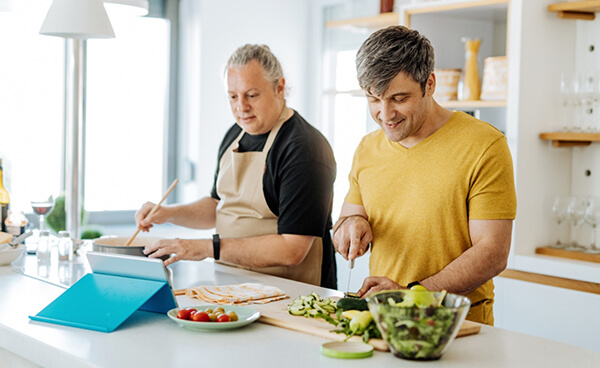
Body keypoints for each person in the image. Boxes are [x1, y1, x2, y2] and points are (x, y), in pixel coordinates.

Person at [332, 26, 516, 325]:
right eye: (373, 99)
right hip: (384, 321)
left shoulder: (485, 145)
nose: (385, 113)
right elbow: (345, 223)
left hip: (458, 325)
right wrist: (351, 225)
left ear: (429, 83)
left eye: (399, 98)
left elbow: (493, 251)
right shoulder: (367, 147)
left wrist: (411, 294)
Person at [136, 44, 337, 289]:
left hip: (289, 294)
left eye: (251, 95)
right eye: (233, 96)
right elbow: (218, 206)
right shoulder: (235, 134)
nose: (241, 107)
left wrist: (205, 248)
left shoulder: (304, 148)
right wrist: (168, 213)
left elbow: (291, 250)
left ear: (279, 88)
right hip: (233, 286)